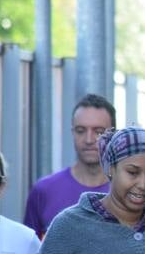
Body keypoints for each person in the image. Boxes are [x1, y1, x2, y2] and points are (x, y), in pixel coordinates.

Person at [23, 94, 115, 237]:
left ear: (113, 134)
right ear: (72, 132)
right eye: (80, 130)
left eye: (98, 132)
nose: (89, 139)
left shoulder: (128, 192)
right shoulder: (44, 191)